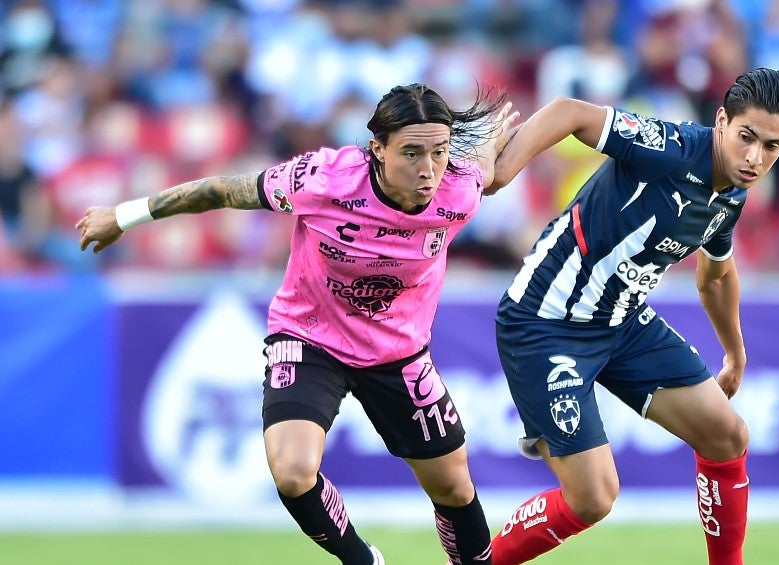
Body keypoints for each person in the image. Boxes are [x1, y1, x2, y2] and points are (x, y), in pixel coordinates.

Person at [77, 83, 517, 565]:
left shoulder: (460, 190)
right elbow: (221, 190)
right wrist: (124, 215)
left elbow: (488, 168)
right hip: (310, 338)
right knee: (292, 472)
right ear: (377, 148)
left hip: (398, 351)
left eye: (438, 152)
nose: (428, 168)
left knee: (453, 486)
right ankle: (363, 560)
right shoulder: (321, 181)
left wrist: (504, 145)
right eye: (411, 152)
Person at [485, 67, 779, 565]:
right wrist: (501, 173)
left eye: (772, 146)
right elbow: (570, 112)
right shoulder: (671, 147)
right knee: (593, 498)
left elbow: (716, 275)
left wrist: (736, 353)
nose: (754, 157)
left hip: (623, 323)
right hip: (546, 321)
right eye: (746, 137)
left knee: (727, 435)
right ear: (721, 120)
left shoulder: (733, 193)